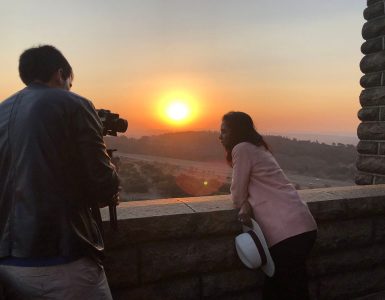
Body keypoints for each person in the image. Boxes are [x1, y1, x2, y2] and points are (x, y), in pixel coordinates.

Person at [0, 45, 120, 299]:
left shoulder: (2, 110)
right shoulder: (74, 104)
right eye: (69, 83)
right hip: (62, 259)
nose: (69, 89)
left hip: (9, 262)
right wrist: (111, 166)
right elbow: (103, 186)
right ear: (59, 74)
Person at [219, 111, 317, 300]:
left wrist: (244, 203)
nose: (220, 136)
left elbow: (237, 194)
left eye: (224, 131)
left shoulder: (241, 148)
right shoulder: (258, 149)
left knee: (279, 290)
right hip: (303, 227)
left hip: (287, 233)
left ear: (236, 132)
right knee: (293, 288)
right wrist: (247, 202)